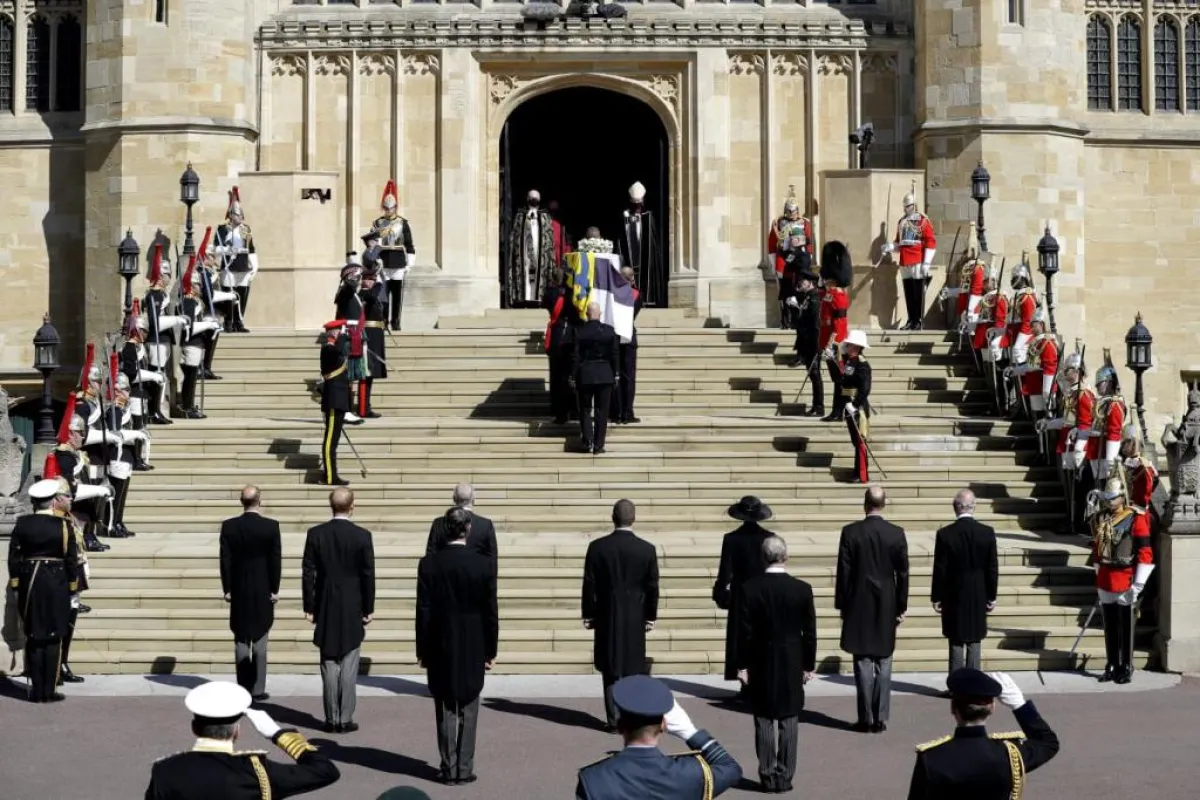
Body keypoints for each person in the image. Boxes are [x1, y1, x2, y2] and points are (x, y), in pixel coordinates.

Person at [415, 507, 499, 786]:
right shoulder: (483, 564)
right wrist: (491, 649)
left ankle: (448, 766)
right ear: (468, 529)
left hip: (439, 641)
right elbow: (490, 611)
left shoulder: (429, 564)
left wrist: (422, 650)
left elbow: (423, 611)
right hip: (474, 641)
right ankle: (464, 766)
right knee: (470, 706)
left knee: (444, 706)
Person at [144, 680, 340, 798]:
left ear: (194, 727)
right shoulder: (257, 772)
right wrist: (278, 734)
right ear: (236, 732)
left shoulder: (165, 770)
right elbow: (325, 771)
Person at [734, 536, 817, 794]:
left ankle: (767, 775)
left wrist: (742, 665)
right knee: (789, 717)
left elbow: (743, 632)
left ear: (763, 558)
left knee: (764, 717)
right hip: (792, 658)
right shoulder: (802, 589)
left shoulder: (750, 588)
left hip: (761, 659)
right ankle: (785, 775)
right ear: (786, 556)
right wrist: (808, 665)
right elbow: (810, 632)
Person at [575, 675, 742, 799]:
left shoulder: (593, 780)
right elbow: (731, 768)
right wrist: (689, 732)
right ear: (663, 724)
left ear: (619, 726)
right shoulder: (692, 773)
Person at [907, 669, 1060, 799]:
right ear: (992, 708)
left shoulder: (932, 757)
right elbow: (1048, 743)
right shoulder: (1009, 755)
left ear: (953, 707)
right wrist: (1019, 705)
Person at [835, 486, 909, 733]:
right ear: (884, 504)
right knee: (884, 659)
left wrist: (842, 604)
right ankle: (880, 716)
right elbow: (903, 574)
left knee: (863, 660)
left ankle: (866, 716)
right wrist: (901, 604)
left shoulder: (851, 532)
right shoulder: (896, 533)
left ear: (865, 504)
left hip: (858, 599)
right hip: (887, 599)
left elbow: (844, 572)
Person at [302, 488, 376, 732]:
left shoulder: (316, 534)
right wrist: (368, 607)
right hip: (352, 602)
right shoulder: (362, 536)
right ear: (352, 506)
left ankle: (331, 717)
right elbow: (368, 575)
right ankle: (344, 717)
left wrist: (309, 606)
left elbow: (308, 573)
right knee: (349, 660)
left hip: (326, 602)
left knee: (329, 662)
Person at [582, 499, 660, 731]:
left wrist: (588, 613)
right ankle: (630, 716)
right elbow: (652, 586)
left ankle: (613, 720)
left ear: (613, 518)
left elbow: (589, 584)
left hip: (607, 612)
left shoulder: (598, 547)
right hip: (635, 613)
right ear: (633, 518)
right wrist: (650, 615)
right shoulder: (646, 549)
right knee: (633, 666)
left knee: (610, 667)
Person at [7, 478, 78, 702]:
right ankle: (49, 691)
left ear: (34, 502)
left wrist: (16, 585)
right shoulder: (64, 525)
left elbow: (14, 558)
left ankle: (36, 692)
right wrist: (73, 588)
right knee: (54, 637)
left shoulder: (22, 523)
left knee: (34, 636)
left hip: (30, 584)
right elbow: (71, 560)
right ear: (52, 501)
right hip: (56, 584)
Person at [1088, 473, 1153, 684]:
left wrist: (1139, 582)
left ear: (1123, 496)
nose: (1110, 501)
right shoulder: (1100, 517)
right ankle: (1111, 663)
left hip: (1126, 575)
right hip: (1106, 574)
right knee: (1109, 624)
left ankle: (1126, 664)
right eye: (1107, 497)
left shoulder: (1135, 517)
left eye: (1113, 497)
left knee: (1126, 625)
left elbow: (1144, 550)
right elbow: (1097, 547)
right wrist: (1097, 568)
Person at [220, 486, 282, 701]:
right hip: (262, 587)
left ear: (241, 501)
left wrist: (227, 588)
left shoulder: (229, 526)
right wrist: (274, 588)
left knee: (241, 639)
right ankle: (257, 688)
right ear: (259, 501)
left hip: (239, 588)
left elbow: (225, 560)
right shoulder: (270, 526)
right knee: (261, 638)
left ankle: (243, 687)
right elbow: (275, 560)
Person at [931, 489, 998, 676]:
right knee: (975, 639)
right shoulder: (986, 533)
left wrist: (936, 596)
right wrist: (991, 595)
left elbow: (940, 569)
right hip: (978, 591)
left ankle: (956, 684)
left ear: (955, 508)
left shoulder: (945, 534)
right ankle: (974, 683)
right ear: (974, 506)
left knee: (956, 639)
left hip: (954, 592)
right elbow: (992, 568)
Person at [712, 496, 775, 691]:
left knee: (741, 639)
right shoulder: (769, 537)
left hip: (741, 594)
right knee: (761, 637)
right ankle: (760, 682)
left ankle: (744, 684)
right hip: (764, 594)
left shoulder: (731, 539)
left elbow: (725, 572)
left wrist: (720, 593)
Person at [881, 190, 937, 330]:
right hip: (904, 260)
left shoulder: (923, 221)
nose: (905, 209)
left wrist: (927, 262)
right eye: (904, 206)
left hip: (917, 259)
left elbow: (930, 241)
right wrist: (890, 247)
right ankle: (911, 319)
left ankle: (918, 320)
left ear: (914, 205)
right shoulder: (902, 221)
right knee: (908, 292)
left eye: (908, 206)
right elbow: (900, 243)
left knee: (917, 291)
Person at [572, 301, 620, 455]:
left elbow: (576, 356)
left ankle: (587, 441)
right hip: (605, 374)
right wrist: (616, 373)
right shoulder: (609, 331)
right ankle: (599, 445)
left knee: (585, 409)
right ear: (600, 314)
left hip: (586, 374)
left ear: (587, 314)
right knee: (602, 411)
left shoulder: (579, 331)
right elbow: (615, 354)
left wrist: (572, 375)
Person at [371, 179, 416, 330]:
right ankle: (384, 321)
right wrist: (375, 260)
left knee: (397, 295)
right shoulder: (377, 223)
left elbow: (409, 244)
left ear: (395, 207)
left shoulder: (403, 223)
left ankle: (396, 322)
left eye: (391, 207)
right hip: (383, 262)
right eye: (386, 207)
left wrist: (409, 263)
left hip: (398, 262)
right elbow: (372, 244)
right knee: (383, 296)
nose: (389, 210)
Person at [767, 187, 814, 330]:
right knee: (785, 291)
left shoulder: (804, 223)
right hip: (784, 258)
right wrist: (774, 262)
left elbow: (809, 242)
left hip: (800, 259)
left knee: (801, 288)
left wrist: (808, 258)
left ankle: (799, 320)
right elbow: (772, 243)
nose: (792, 214)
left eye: (794, 211)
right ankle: (785, 321)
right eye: (789, 211)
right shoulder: (779, 222)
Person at [424, 483, 497, 574]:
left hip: (444, 576)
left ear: (454, 498)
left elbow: (431, 556)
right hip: (476, 577)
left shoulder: (438, 523)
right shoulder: (485, 525)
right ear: (473, 499)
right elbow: (492, 560)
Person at [213, 186, 258, 333]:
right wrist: (228, 249)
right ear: (231, 215)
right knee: (228, 296)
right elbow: (215, 249)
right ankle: (229, 322)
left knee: (242, 295)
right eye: (238, 215)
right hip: (229, 267)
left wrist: (255, 266)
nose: (240, 218)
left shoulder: (246, 230)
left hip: (243, 267)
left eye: (241, 215)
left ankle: (239, 321)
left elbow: (251, 249)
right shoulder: (222, 229)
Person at [818, 241, 851, 422]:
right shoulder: (829, 295)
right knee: (837, 380)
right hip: (828, 343)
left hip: (835, 346)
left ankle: (839, 412)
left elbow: (839, 325)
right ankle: (839, 411)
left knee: (839, 380)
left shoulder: (838, 296)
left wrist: (831, 346)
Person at [507, 189, 557, 308]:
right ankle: (524, 298)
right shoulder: (520, 215)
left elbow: (549, 236)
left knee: (539, 275)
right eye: (532, 197)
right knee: (525, 273)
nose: (534, 199)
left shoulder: (545, 216)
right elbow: (515, 235)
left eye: (536, 198)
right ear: (527, 199)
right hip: (524, 252)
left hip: (540, 252)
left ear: (539, 200)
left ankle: (538, 299)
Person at [837, 330, 873, 484]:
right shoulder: (850, 361)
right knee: (855, 441)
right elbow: (841, 379)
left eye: (850, 344)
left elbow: (865, 389)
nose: (847, 346)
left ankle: (862, 474)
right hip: (848, 404)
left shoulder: (862, 364)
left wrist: (855, 404)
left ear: (857, 347)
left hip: (857, 407)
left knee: (860, 441)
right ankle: (857, 471)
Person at [618, 182, 663, 307]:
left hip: (645, 254)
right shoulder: (626, 215)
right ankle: (632, 298)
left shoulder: (648, 216)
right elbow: (622, 236)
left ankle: (646, 298)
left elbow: (653, 239)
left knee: (645, 274)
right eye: (635, 204)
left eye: (639, 204)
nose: (637, 207)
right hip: (630, 253)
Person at [786, 267, 824, 416]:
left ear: (810, 283)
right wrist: (796, 307)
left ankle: (819, 407)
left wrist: (818, 344)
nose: (800, 283)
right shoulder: (807, 296)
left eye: (803, 281)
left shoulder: (814, 297)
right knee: (812, 374)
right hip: (806, 342)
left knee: (815, 374)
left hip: (812, 342)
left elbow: (815, 321)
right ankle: (816, 406)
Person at [318, 320, 352, 486]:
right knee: (330, 442)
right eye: (339, 331)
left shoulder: (335, 349)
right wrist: (343, 337)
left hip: (339, 400)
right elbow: (336, 351)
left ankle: (332, 474)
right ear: (333, 333)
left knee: (334, 441)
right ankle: (330, 476)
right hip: (333, 400)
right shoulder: (327, 349)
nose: (341, 334)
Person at [542, 268, 575, 424]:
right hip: (569, 334)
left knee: (556, 376)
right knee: (570, 375)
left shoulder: (549, 293)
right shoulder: (570, 293)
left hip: (556, 335)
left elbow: (545, 304)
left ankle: (557, 409)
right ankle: (572, 408)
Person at [610, 266, 643, 425]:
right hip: (628, 336)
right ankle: (627, 412)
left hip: (615, 337)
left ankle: (615, 412)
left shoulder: (612, 294)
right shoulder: (636, 294)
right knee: (628, 378)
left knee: (615, 374)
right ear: (632, 278)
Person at [358, 267, 388, 419]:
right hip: (369, 337)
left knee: (369, 375)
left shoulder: (369, 294)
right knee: (366, 374)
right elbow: (372, 296)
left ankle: (365, 406)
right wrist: (378, 284)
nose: (373, 282)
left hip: (375, 337)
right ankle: (363, 409)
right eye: (370, 279)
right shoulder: (364, 294)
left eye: (373, 280)